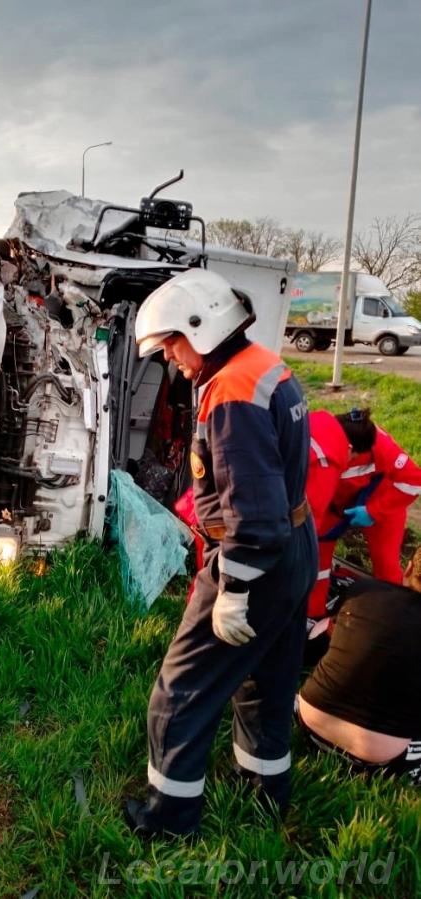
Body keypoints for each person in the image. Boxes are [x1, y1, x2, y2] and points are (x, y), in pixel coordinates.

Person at [124, 269, 317, 839]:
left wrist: (233, 590)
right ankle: (264, 794)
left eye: (171, 345)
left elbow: (252, 516)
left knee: (181, 689)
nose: (170, 359)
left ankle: (168, 818)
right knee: (269, 681)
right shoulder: (263, 366)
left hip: (255, 559)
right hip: (293, 549)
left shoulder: (232, 391)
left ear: (199, 327)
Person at [297, 546, 421, 786]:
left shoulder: (364, 590)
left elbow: (316, 639)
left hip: (309, 722)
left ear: (407, 569)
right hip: (379, 756)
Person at [307, 408, 421, 620]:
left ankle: (393, 620)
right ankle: (313, 615)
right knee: (316, 561)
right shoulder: (315, 437)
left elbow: (414, 481)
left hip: (382, 499)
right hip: (333, 503)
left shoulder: (381, 446)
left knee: (387, 568)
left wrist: (373, 511)